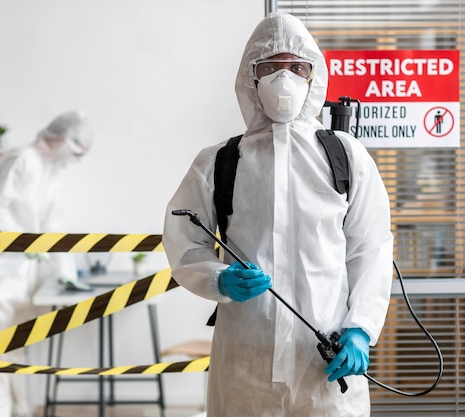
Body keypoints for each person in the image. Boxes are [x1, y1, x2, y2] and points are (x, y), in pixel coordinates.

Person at [162, 12, 393, 417]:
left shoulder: (345, 155)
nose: (283, 78)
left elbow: (370, 249)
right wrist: (220, 280)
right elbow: (184, 242)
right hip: (245, 361)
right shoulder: (219, 161)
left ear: (312, 76)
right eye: (270, 67)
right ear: (251, 77)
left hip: (327, 360)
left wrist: (361, 328)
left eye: (296, 67)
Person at [0, 110, 94, 417]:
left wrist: (66, 271)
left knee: (16, 345)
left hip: (21, 269)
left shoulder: (52, 171)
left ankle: (20, 411)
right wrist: (23, 243)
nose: (75, 160)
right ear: (62, 139)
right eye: (75, 152)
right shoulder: (21, 160)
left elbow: (53, 221)